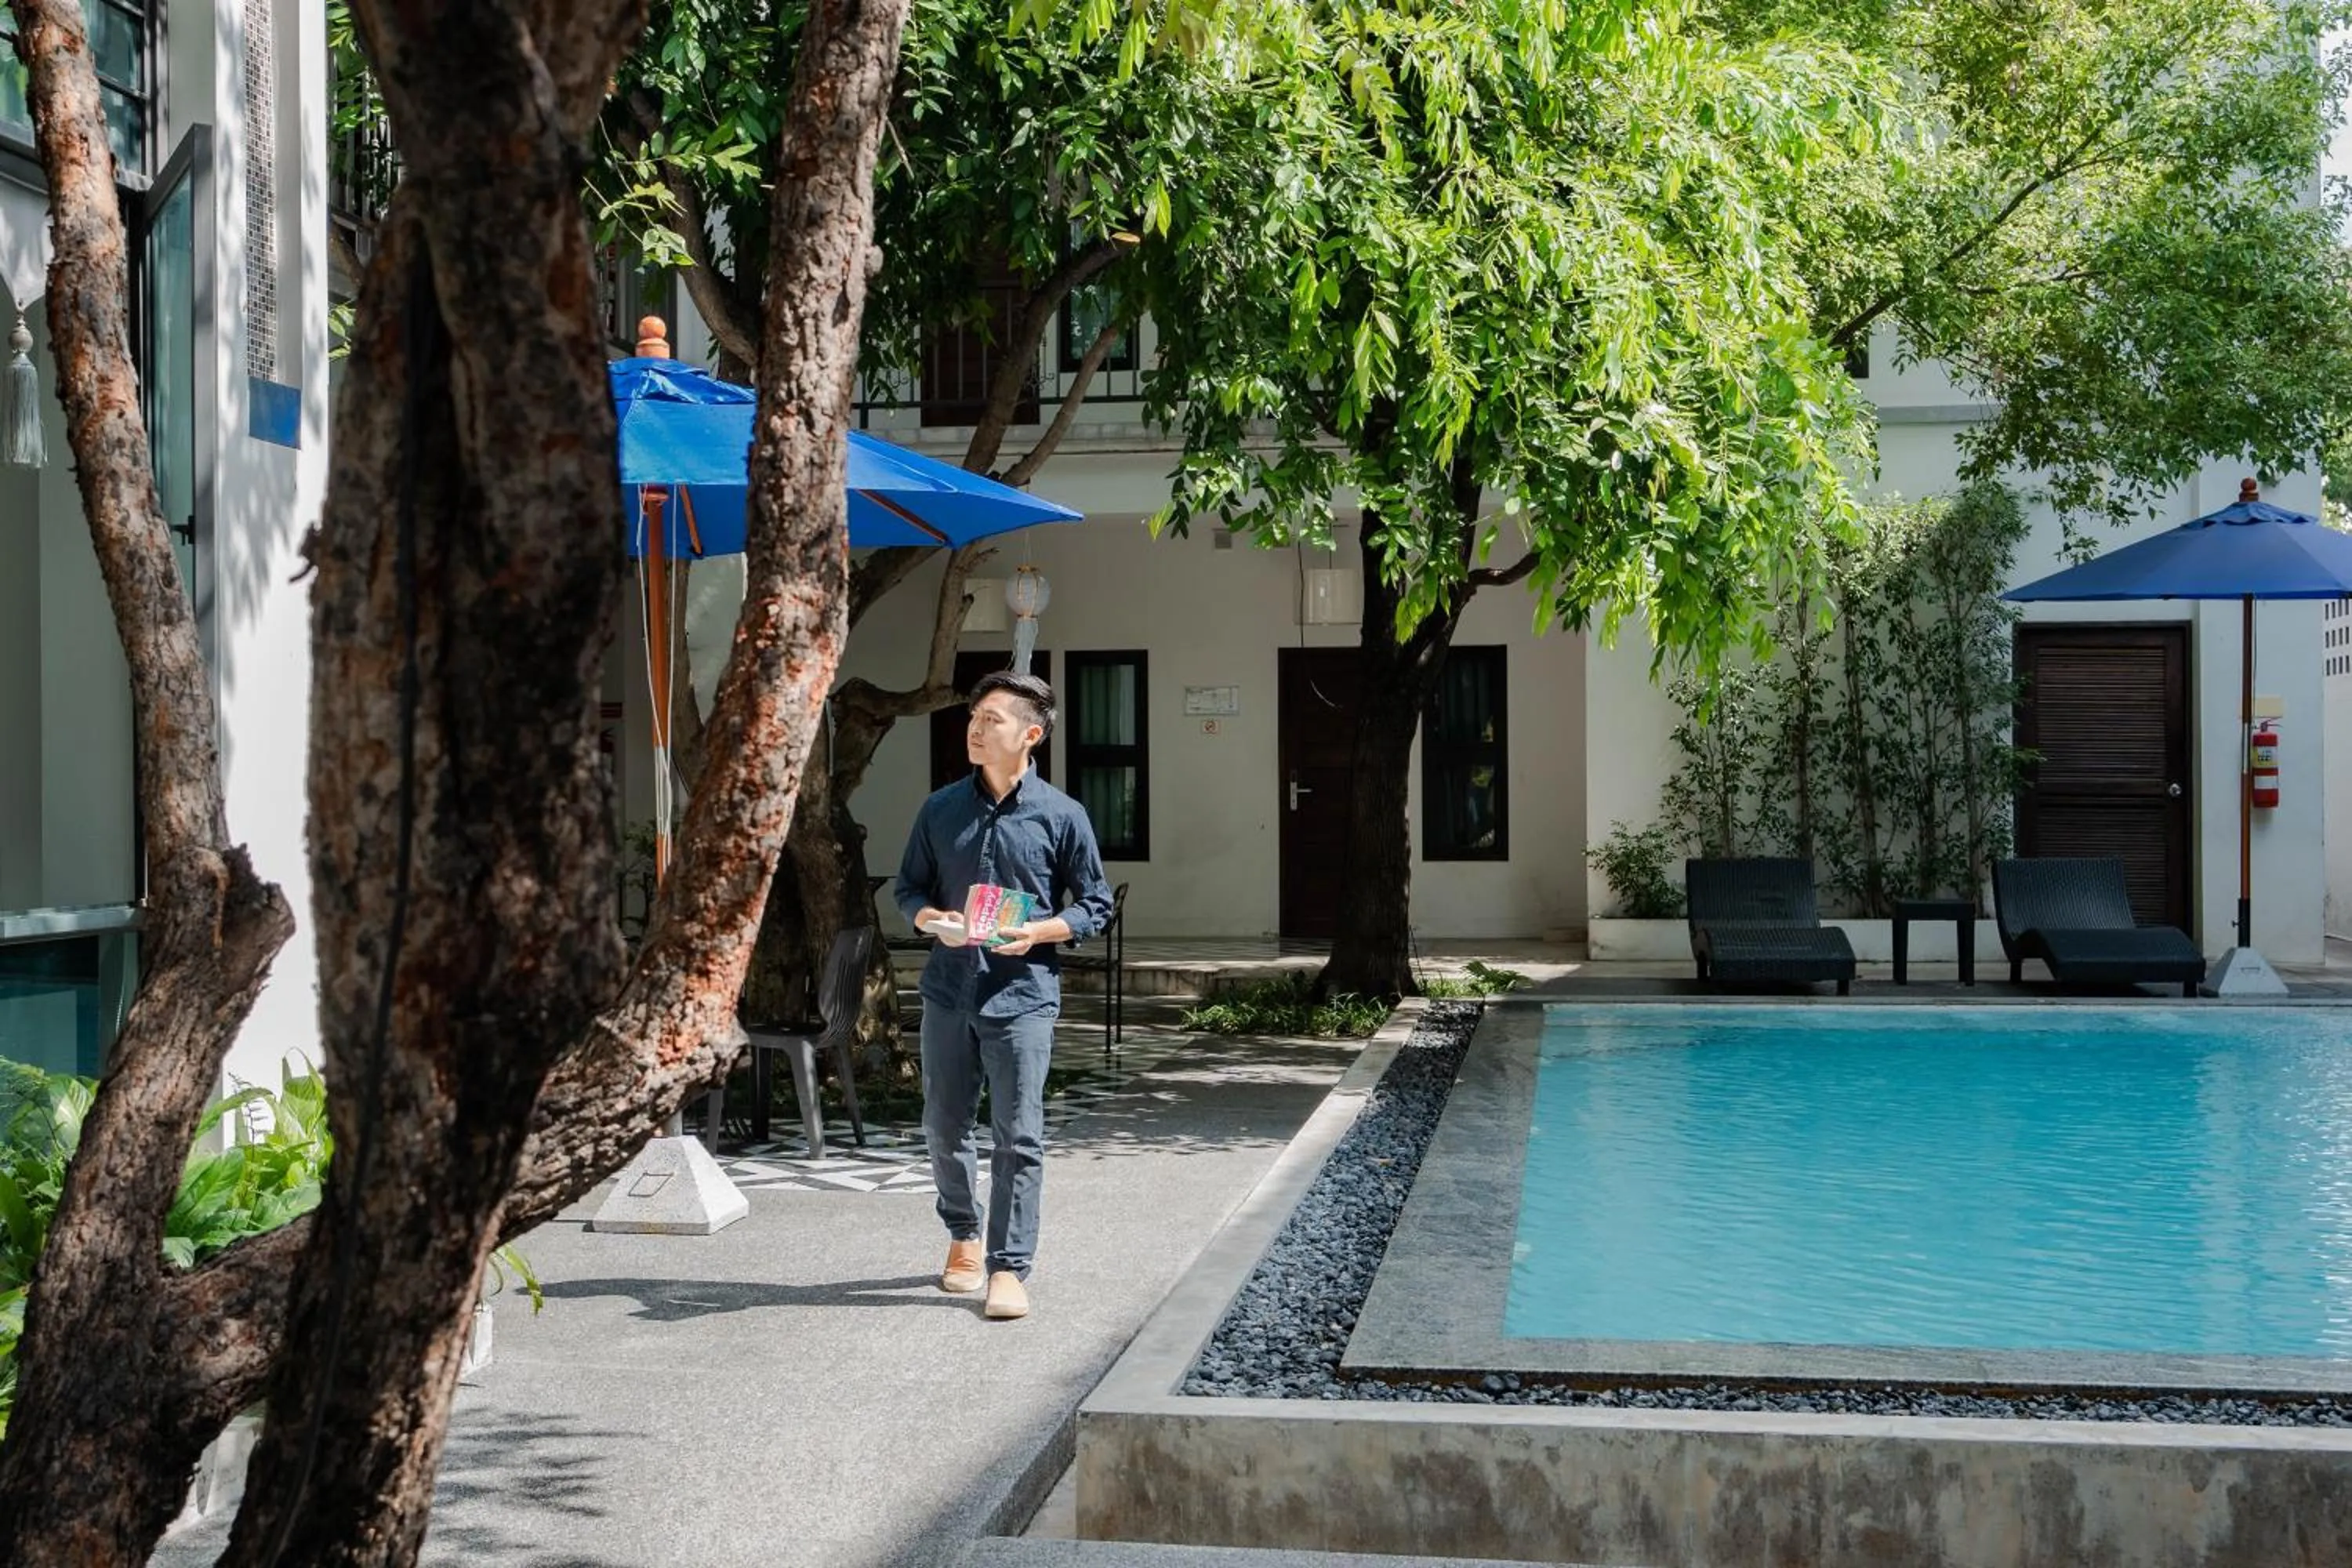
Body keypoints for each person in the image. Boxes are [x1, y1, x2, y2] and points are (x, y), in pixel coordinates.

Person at [895, 671, 1113, 1321]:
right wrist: (933, 921)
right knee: (943, 1124)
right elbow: (908, 890)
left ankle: (1009, 1267)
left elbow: (1096, 904)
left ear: (1031, 734)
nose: (976, 727)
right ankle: (963, 1233)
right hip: (948, 990)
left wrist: (1042, 930)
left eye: (993, 719)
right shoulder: (939, 810)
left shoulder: (1062, 815)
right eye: (974, 717)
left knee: (1018, 1135)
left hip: (1023, 994)